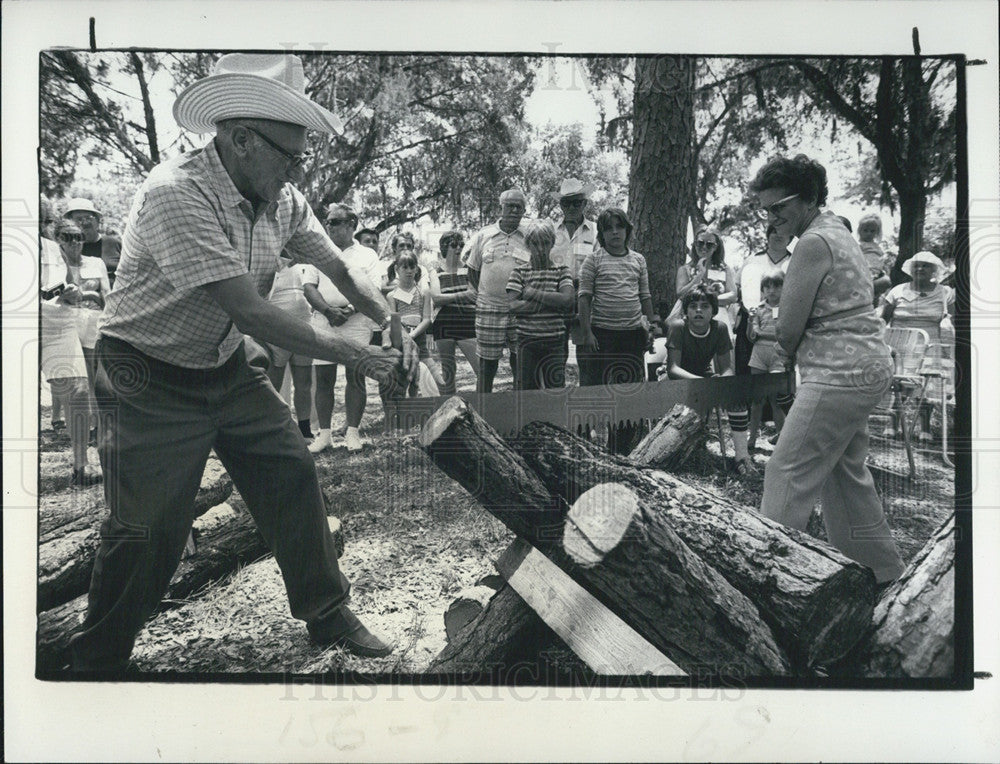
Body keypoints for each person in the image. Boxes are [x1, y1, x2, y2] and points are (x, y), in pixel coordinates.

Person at [68, 53, 418, 673]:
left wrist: (389, 320)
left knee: (290, 469)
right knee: (147, 526)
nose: (296, 170)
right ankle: (99, 656)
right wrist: (357, 355)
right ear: (239, 139)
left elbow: (337, 265)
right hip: (145, 373)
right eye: (290, 154)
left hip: (223, 364)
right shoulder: (176, 193)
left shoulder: (281, 196)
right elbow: (251, 312)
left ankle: (326, 612)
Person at [749, 154, 904, 585]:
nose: (772, 218)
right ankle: (883, 574)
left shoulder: (814, 243)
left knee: (786, 471)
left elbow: (788, 327)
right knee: (844, 475)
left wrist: (783, 345)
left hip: (839, 374)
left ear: (810, 198)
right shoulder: (837, 231)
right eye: (766, 210)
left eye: (779, 207)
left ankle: (768, 579)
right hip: (862, 367)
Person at [304, 204, 387, 454]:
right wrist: (328, 311)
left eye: (335, 222)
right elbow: (309, 287)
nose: (329, 226)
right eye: (327, 222)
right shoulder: (318, 252)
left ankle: (352, 432)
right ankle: (325, 434)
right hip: (324, 318)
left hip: (357, 319)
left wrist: (349, 310)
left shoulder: (367, 256)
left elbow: (373, 290)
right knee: (324, 379)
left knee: (355, 376)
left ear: (352, 224)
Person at [577, 207, 655, 452]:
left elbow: (645, 296)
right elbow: (584, 298)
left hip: (632, 336)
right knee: (591, 392)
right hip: (600, 335)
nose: (614, 233)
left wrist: (650, 326)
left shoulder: (638, 260)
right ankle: (582, 446)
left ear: (627, 230)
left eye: (619, 227)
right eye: (608, 228)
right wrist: (587, 333)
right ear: (601, 233)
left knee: (627, 395)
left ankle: (618, 450)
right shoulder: (594, 259)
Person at [659, 286, 756, 475]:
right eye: (693, 306)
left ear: (713, 311)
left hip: (704, 378)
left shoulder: (719, 329)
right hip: (676, 380)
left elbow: (727, 368)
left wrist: (723, 382)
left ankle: (742, 457)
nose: (698, 311)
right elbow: (673, 369)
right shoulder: (678, 327)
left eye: (705, 306)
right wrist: (703, 384)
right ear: (685, 311)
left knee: (736, 397)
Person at [41, 214, 103, 487]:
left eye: (43, 219)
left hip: (58, 322)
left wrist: (72, 292)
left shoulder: (54, 249)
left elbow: (67, 281)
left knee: (78, 388)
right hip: (20, 325)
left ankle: (81, 465)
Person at [881, 250, 955, 442]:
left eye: (926, 265)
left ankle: (925, 427)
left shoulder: (945, 293)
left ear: (935, 270)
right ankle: (892, 423)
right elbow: (883, 320)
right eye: (917, 265)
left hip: (931, 346)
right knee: (899, 385)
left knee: (926, 387)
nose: (921, 268)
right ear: (911, 269)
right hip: (901, 345)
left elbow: (954, 321)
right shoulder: (897, 291)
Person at [463, 188, 530, 393]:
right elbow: (473, 271)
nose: (514, 210)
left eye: (519, 207)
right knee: (486, 364)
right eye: (510, 206)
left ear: (524, 210)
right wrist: (488, 295)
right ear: (501, 207)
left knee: (520, 361)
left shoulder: (529, 237)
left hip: (520, 310)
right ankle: (483, 411)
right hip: (488, 308)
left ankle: (520, 410)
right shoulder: (484, 235)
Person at [506, 219, 575, 390]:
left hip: (555, 340)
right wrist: (552, 302)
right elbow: (513, 306)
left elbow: (568, 300)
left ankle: (555, 418)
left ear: (552, 243)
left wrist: (533, 294)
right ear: (528, 244)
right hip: (527, 341)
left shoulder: (561, 270)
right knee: (527, 389)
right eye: (535, 244)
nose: (541, 249)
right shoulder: (519, 272)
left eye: (545, 243)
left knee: (556, 388)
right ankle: (531, 418)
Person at [258, 254, 316, 440]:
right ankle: (274, 428)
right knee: (273, 384)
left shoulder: (306, 262)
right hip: (276, 329)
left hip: (303, 328)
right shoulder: (267, 261)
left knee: (304, 383)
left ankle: (305, 429)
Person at [549, 178, 599, 373]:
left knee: (586, 354)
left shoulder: (595, 231)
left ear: (585, 203)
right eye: (566, 203)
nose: (572, 207)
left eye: (577, 202)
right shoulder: (550, 231)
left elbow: (599, 265)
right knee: (555, 356)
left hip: (585, 299)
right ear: (560, 204)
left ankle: (586, 396)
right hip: (555, 298)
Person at [736, 224, 793, 376]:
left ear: (790, 238)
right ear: (767, 235)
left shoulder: (795, 261)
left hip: (783, 324)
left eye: (783, 232)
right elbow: (738, 288)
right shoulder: (753, 260)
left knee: (780, 377)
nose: (778, 235)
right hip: (754, 320)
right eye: (774, 232)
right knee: (749, 373)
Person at [385, 248, 443, 396]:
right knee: (404, 376)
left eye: (412, 267)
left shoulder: (424, 292)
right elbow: (394, 321)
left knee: (436, 378)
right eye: (405, 267)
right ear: (397, 269)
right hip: (400, 342)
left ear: (417, 268)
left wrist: (413, 335)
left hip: (420, 340)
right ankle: (403, 410)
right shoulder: (392, 295)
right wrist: (405, 336)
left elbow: (427, 319)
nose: (409, 271)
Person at [746, 269, 792, 452]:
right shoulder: (758, 309)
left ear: (784, 288)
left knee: (777, 400)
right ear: (762, 289)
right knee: (757, 400)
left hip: (778, 357)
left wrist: (762, 334)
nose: (771, 290)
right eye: (767, 286)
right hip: (758, 356)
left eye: (776, 286)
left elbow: (782, 336)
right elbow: (752, 337)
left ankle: (781, 439)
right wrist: (750, 323)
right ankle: (752, 438)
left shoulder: (788, 309)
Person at [428, 231, 479, 394]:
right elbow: (436, 298)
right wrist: (462, 295)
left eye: (461, 245)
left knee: (481, 368)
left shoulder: (469, 269)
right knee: (448, 370)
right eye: (454, 245)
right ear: (444, 247)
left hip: (468, 321)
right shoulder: (435, 271)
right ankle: (450, 408)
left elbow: (475, 295)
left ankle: (483, 405)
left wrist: (448, 297)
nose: (458, 248)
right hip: (444, 323)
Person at [672, 227, 737, 339]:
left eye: (709, 244)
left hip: (719, 317)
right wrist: (699, 276)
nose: (704, 247)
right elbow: (681, 294)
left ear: (716, 247)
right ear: (694, 245)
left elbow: (733, 295)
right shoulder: (685, 269)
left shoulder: (725, 269)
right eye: (700, 243)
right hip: (692, 318)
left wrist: (709, 301)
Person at [63, 197, 123, 288]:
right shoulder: (68, 249)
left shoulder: (114, 244)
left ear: (97, 220)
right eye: (79, 219)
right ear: (71, 223)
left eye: (88, 218)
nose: (84, 222)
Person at [856, 212, 891, 301]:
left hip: (877, 274)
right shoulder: (857, 245)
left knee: (886, 282)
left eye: (872, 231)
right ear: (859, 230)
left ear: (877, 232)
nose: (869, 233)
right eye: (865, 230)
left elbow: (880, 261)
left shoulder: (877, 247)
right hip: (864, 274)